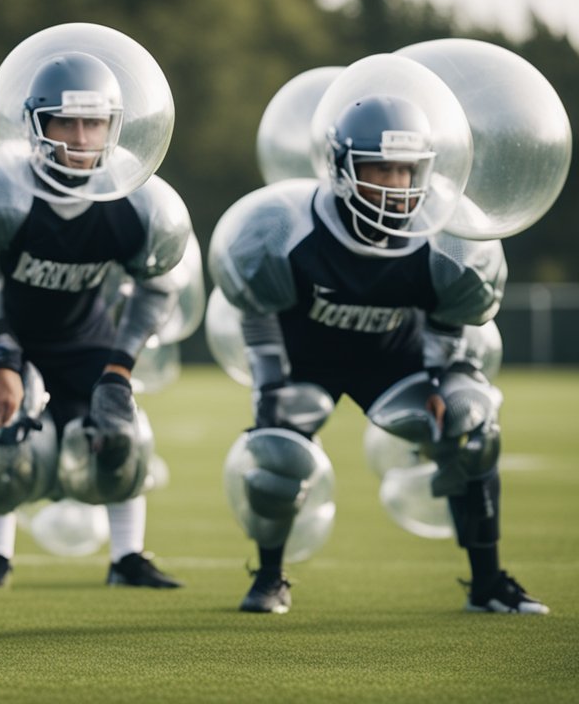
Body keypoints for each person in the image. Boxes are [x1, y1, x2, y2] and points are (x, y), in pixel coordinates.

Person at [211, 95, 548, 615]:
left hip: (396, 360)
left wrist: (440, 377)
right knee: (275, 455)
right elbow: (257, 310)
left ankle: (488, 583)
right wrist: (270, 383)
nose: (394, 183)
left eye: (406, 170)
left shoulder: (446, 236)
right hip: (307, 363)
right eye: (380, 168)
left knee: (473, 426)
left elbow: (450, 313)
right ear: (341, 166)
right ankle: (270, 577)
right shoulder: (286, 226)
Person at [0, 50, 193, 590]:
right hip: (17, 344)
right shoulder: (3, 194)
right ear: (37, 123)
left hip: (90, 344)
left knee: (125, 439)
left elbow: (157, 289)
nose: (81, 137)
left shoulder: (132, 203)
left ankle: (127, 558)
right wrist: (3, 358)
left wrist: (121, 370)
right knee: (1, 441)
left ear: (113, 127)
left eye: (94, 122)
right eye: (66, 121)